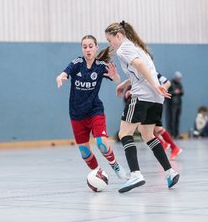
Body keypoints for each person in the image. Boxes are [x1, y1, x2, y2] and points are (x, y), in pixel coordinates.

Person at [104, 21, 180, 193]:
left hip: (142, 97)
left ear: (119, 35)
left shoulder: (124, 48)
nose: (110, 45)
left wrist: (155, 86)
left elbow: (139, 66)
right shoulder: (139, 48)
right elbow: (142, 71)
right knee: (148, 135)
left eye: (110, 40)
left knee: (124, 133)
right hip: (156, 100)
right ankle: (170, 171)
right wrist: (125, 84)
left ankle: (136, 174)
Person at [56, 35, 128, 183]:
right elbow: (65, 73)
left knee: (101, 142)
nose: (88, 49)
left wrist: (114, 76)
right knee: (84, 151)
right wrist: (61, 77)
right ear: (82, 49)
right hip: (76, 114)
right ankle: (98, 173)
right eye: (84, 46)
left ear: (96, 48)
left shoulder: (101, 66)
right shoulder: (77, 63)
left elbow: (117, 80)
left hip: (95, 110)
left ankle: (115, 166)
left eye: (90, 46)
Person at [123, 74, 182, 159]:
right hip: (147, 102)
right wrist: (125, 87)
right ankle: (166, 144)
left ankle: (173, 147)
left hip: (153, 102)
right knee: (143, 128)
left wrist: (161, 89)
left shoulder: (153, 72)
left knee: (153, 128)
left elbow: (167, 82)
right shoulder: (139, 71)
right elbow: (135, 81)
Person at [165, 71, 184, 139]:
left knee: (177, 119)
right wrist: (174, 92)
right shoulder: (170, 84)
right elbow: (167, 93)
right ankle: (171, 133)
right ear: (175, 78)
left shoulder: (179, 84)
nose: (179, 79)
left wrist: (179, 92)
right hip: (172, 104)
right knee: (171, 119)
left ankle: (176, 133)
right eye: (178, 78)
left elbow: (182, 92)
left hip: (178, 104)